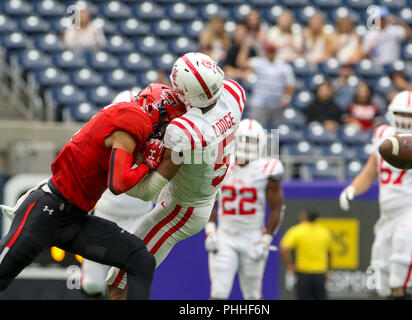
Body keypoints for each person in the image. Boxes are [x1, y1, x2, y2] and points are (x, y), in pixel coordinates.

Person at [0, 84, 187, 300]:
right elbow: (118, 184)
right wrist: (148, 163)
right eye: (169, 121)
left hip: (75, 219)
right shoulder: (133, 117)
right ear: (158, 109)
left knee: (140, 259)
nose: (166, 130)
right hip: (46, 210)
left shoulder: (127, 119)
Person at [105, 52, 245, 299]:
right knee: (122, 277)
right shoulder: (234, 92)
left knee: (120, 280)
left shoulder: (186, 130)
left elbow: (147, 191)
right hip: (199, 189)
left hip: (181, 209)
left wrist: (127, 167)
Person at [339, 90, 412, 299]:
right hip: (387, 216)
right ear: (392, 113)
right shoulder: (382, 135)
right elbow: (370, 172)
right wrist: (352, 188)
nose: (406, 119)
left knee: (401, 274)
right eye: (402, 113)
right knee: (378, 276)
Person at [80, 88, 154, 299]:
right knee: (93, 284)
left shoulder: (154, 144)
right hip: (105, 215)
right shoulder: (101, 140)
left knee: (121, 284)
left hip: (139, 219)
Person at [205, 119, 285, 300]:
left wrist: (266, 239)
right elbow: (209, 199)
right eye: (242, 139)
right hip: (225, 235)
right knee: (218, 293)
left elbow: (277, 208)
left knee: (253, 296)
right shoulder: (222, 164)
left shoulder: (268, 169)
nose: (246, 145)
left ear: (261, 143)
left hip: (253, 238)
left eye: (251, 141)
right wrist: (210, 231)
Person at [237, 42, 295, 130]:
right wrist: (245, 47)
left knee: (275, 132)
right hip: (259, 103)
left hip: (277, 104)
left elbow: (290, 84)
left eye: (272, 51)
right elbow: (241, 63)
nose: (270, 53)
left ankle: (273, 144)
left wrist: (286, 98)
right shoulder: (259, 62)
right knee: (255, 129)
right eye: (268, 51)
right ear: (265, 52)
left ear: (275, 52)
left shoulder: (284, 66)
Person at [280, 210, 332, 300]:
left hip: (303, 273)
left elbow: (284, 249)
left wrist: (289, 266)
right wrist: (328, 270)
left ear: (305, 217)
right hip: (320, 273)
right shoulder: (324, 232)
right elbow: (330, 253)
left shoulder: (298, 231)